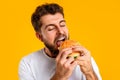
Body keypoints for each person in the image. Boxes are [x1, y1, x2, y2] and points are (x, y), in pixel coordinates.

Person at [18, 3, 102, 80]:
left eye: (62, 25)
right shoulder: (27, 63)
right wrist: (59, 76)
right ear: (40, 37)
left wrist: (89, 72)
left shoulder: (83, 57)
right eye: (51, 28)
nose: (61, 31)